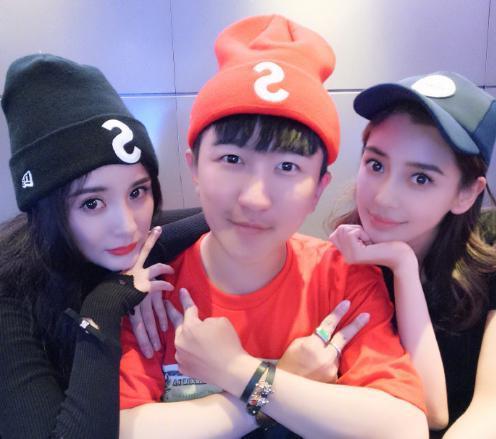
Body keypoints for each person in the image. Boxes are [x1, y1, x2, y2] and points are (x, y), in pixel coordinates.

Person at [119, 15, 428, 438]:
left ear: (319, 188)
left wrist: (238, 371)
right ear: (194, 168)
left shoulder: (342, 279)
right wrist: (279, 380)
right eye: (232, 159)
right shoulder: (151, 290)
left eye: (287, 167)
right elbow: (123, 429)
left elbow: (404, 427)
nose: (255, 198)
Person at [0, 54, 207, 439]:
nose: (128, 227)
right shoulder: (9, 292)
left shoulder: (138, 238)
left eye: (137, 192)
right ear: (45, 209)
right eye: (92, 203)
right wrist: (105, 304)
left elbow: (224, 215)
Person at [329, 72, 496, 437]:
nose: (383, 197)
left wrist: (402, 265)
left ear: (466, 193)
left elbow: (489, 409)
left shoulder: (490, 268)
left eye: (421, 178)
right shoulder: (334, 264)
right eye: (376, 165)